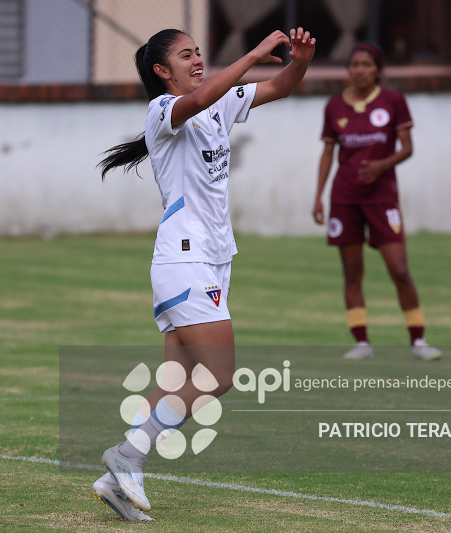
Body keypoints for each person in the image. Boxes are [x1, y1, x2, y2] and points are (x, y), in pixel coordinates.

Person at [95, 27, 316, 520]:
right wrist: (255, 53)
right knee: (218, 375)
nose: (196, 59)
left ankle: (116, 477)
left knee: (177, 377)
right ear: (161, 71)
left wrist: (298, 60)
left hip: (210, 258)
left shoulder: (217, 104)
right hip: (184, 258)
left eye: (198, 52)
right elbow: (198, 98)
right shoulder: (161, 113)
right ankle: (128, 457)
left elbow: (280, 86)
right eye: (185, 55)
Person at [312, 42, 441, 361]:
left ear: (379, 70)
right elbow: (328, 152)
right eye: (354, 64)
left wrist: (382, 165)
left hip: (382, 198)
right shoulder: (334, 107)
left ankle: (418, 341)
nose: (359, 70)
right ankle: (362, 342)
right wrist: (318, 195)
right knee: (352, 271)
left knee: (399, 269)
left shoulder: (393, 101)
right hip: (344, 198)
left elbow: (407, 147)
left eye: (366, 65)